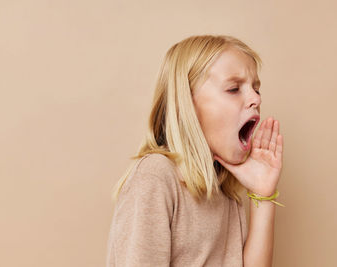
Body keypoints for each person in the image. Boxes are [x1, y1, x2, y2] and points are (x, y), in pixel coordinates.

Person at [105, 34, 284, 267]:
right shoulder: (155, 177)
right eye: (233, 89)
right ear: (186, 104)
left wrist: (263, 195)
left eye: (256, 89)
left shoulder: (222, 188)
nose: (255, 99)